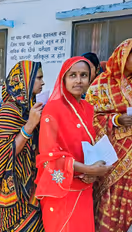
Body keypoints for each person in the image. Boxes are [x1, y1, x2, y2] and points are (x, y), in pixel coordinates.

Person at [35, 57, 112, 232]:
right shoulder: (53, 109)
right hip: (61, 189)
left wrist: (92, 170)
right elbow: (49, 155)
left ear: (90, 79)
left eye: (83, 75)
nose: (78, 80)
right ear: (64, 78)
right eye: (73, 75)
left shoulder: (88, 108)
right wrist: (89, 169)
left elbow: (89, 144)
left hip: (84, 186)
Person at [85, 38, 132, 232]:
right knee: (109, 205)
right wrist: (115, 121)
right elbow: (89, 118)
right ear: (122, 56)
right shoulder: (101, 85)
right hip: (112, 159)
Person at [0, 61, 45, 232]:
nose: (43, 83)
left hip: (33, 183)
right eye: (38, 78)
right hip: (15, 187)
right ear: (24, 81)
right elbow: (4, 154)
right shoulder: (9, 110)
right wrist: (29, 126)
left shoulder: (31, 107)